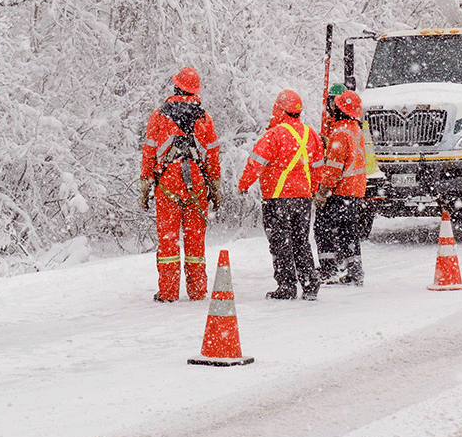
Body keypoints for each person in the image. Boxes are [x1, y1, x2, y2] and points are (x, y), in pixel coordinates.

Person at [141, 66, 220, 302]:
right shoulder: (204, 118)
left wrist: (145, 185)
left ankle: (168, 292)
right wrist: (215, 188)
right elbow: (213, 156)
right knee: (195, 241)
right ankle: (197, 291)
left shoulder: (158, 116)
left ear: (175, 86)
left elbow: (149, 152)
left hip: (167, 184)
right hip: (196, 185)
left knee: (168, 241)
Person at [238, 89, 320, 301]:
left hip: (277, 199)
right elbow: (318, 167)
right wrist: (313, 188)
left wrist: (244, 184)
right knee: (301, 241)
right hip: (303, 199)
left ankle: (286, 286)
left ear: (279, 109)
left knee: (280, 243)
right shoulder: (311, 135)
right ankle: (310, 285)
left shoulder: (273, 135)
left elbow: (256, 163)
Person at [313, 89, 367, 285]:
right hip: (354, 190)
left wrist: (322, 191)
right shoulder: (354, 129)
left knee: (322, 228)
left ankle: (328, 270)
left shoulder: (340, 133)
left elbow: (333, 169)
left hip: (340, 190)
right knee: (348, 232)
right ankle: (355, 271)